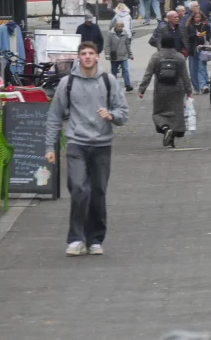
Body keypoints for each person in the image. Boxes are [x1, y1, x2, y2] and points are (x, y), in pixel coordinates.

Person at [45, 42, 129, 257]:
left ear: (97, 57)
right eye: (84, 54)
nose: (88, 57)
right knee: (80, 189)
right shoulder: (68, 83)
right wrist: (50, 146)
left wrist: (111, 115)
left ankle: (95, 240)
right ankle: (75, 239)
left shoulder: (108, 81)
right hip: (77, 143)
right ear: (78, 58)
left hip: (102, 144)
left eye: (91, 53)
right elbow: (54, 116)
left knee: (98, 192)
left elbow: (123, 112)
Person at [138, 35, 193, 148]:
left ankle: (165, 128)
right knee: (175, 115)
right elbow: (185, 76)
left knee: (158, 113)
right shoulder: (180, 57)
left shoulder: (156, 56)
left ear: (162, 44)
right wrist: (189, 90)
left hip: (161, 89)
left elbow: (148, 74)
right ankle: (171, 140)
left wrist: (142, 89)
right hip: (177, 89)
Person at [106, 21, 134, 92]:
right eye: (119, 26)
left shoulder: (124, 34)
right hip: (114, 55)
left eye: (122, 26)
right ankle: (113, 85)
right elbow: (107, 45)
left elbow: (127, 45)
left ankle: (127, 85)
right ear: (116, 26)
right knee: (114, 71)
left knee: (125, 70)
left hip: (123, 55)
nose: (120, 28)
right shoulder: (110, 34)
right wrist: (107, 54)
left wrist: (130, 54)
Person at [187, 11, 211, 93]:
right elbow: (187, 37)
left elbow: (209, 36)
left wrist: (204, 35)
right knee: (193, 70)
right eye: (196, 17)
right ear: (193, 18)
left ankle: (204, 86)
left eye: (199, 17)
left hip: (202, 49)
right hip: (192, 50)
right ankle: (196, 87)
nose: (197, 19)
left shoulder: (205, 25)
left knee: (201, 68)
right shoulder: (189, 26)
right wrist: (195, 35)